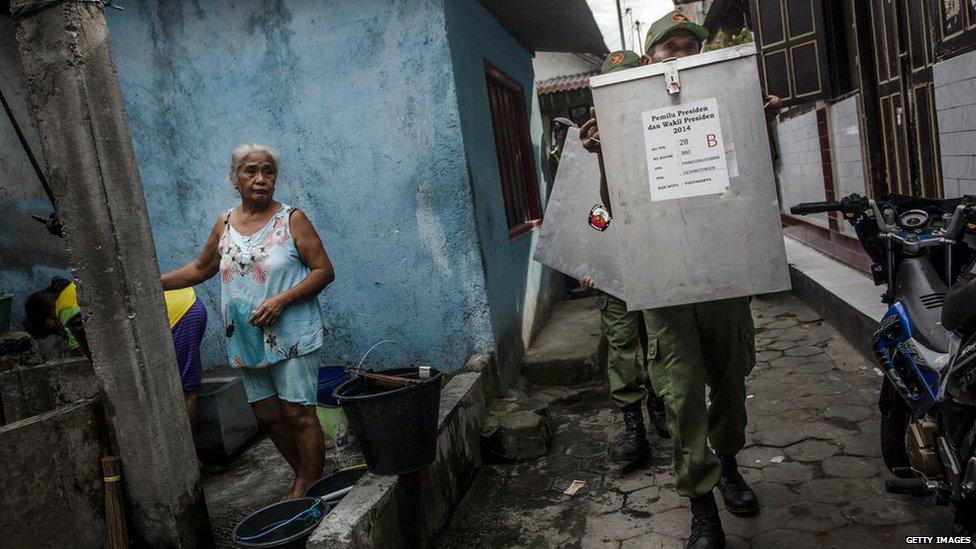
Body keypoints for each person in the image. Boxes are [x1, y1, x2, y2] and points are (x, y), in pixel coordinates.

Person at [581, 13, 782, 548]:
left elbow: (755, 186)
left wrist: (758, 124)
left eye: (688, 46)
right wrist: (603, 149)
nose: (679, 55)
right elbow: (614, 206)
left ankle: (731, 465)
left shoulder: (723, 105)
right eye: (668, 47)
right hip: (663, 280)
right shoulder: (628, 117)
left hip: (721, 274)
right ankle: (702, 505)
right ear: (652, 61)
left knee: (730, 382)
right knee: (682, 394)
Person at [161, 143, 335, 499]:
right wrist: (153, 282)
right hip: (246, 337)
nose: (260, 179)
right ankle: (305, 474)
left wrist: (281, 300)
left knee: (298, 414)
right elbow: (200, 268)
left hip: (291, 336)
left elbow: (323, 271)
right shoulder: (224, 223)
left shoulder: (292, 220)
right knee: (268, 416)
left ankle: (308, 488)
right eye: (250, 171)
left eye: (268, 171)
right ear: (235, 179)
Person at [578, 49, 670, 471]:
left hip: (658, 262)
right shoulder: (587, 142)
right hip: (614, 269)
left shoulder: (668, 129)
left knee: (660, 343)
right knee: (621, 348)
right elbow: (591, 215)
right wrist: (589, 262)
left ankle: (660, 404)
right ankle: (634, 428)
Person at [24, 278, 207, 430]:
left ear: (48, 316)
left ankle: (190, 459)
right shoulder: (76, 285)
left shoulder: (64, 310)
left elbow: (88, 357)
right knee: (175, 386)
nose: (55, 330)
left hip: (177, 316)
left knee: (185, 391)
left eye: (49, 327)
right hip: (186, 302)